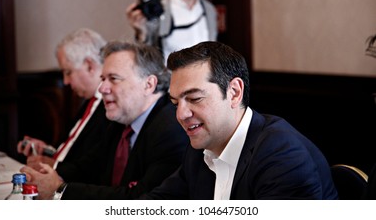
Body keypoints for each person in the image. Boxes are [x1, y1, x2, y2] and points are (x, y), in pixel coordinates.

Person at [140, 41, 339, 200]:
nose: (181, 114)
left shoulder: (281, 154)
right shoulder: (200, 150)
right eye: (176, 103)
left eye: (194, 99)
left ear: (234, 92)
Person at [20, 41, 188, 199]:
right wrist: (50, 174)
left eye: (113, 79)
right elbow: (90, 166)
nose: (102, 88)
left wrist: (59, 190)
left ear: (148, 84)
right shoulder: (120, 118)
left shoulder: (171, 129)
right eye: (103, 79)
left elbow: (140, 199)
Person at [17, 28, 110, 170]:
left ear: (90, 65)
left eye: (68, 72)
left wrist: (55, 166)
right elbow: (74, 153)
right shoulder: (89, 102)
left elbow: (95, 168)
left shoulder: (109, 106)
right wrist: (47, 151)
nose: (65, 82)